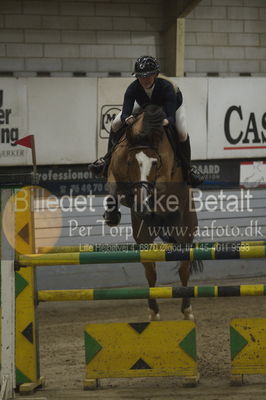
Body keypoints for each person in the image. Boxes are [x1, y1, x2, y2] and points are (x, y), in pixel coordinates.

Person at [89, 55, 204, 187]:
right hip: (145, 105)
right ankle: (107, 160)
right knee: (115, 123)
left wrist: (166, 122)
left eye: (148, 75)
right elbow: (125, 112)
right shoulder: (132, 88)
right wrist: (127, 118)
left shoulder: (167, 88)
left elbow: (171, 117)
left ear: (155, 75)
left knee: (182, 132)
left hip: (170, 107)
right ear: (136, 76)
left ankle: (187, 169)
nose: (144, 79)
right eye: (141, 76)